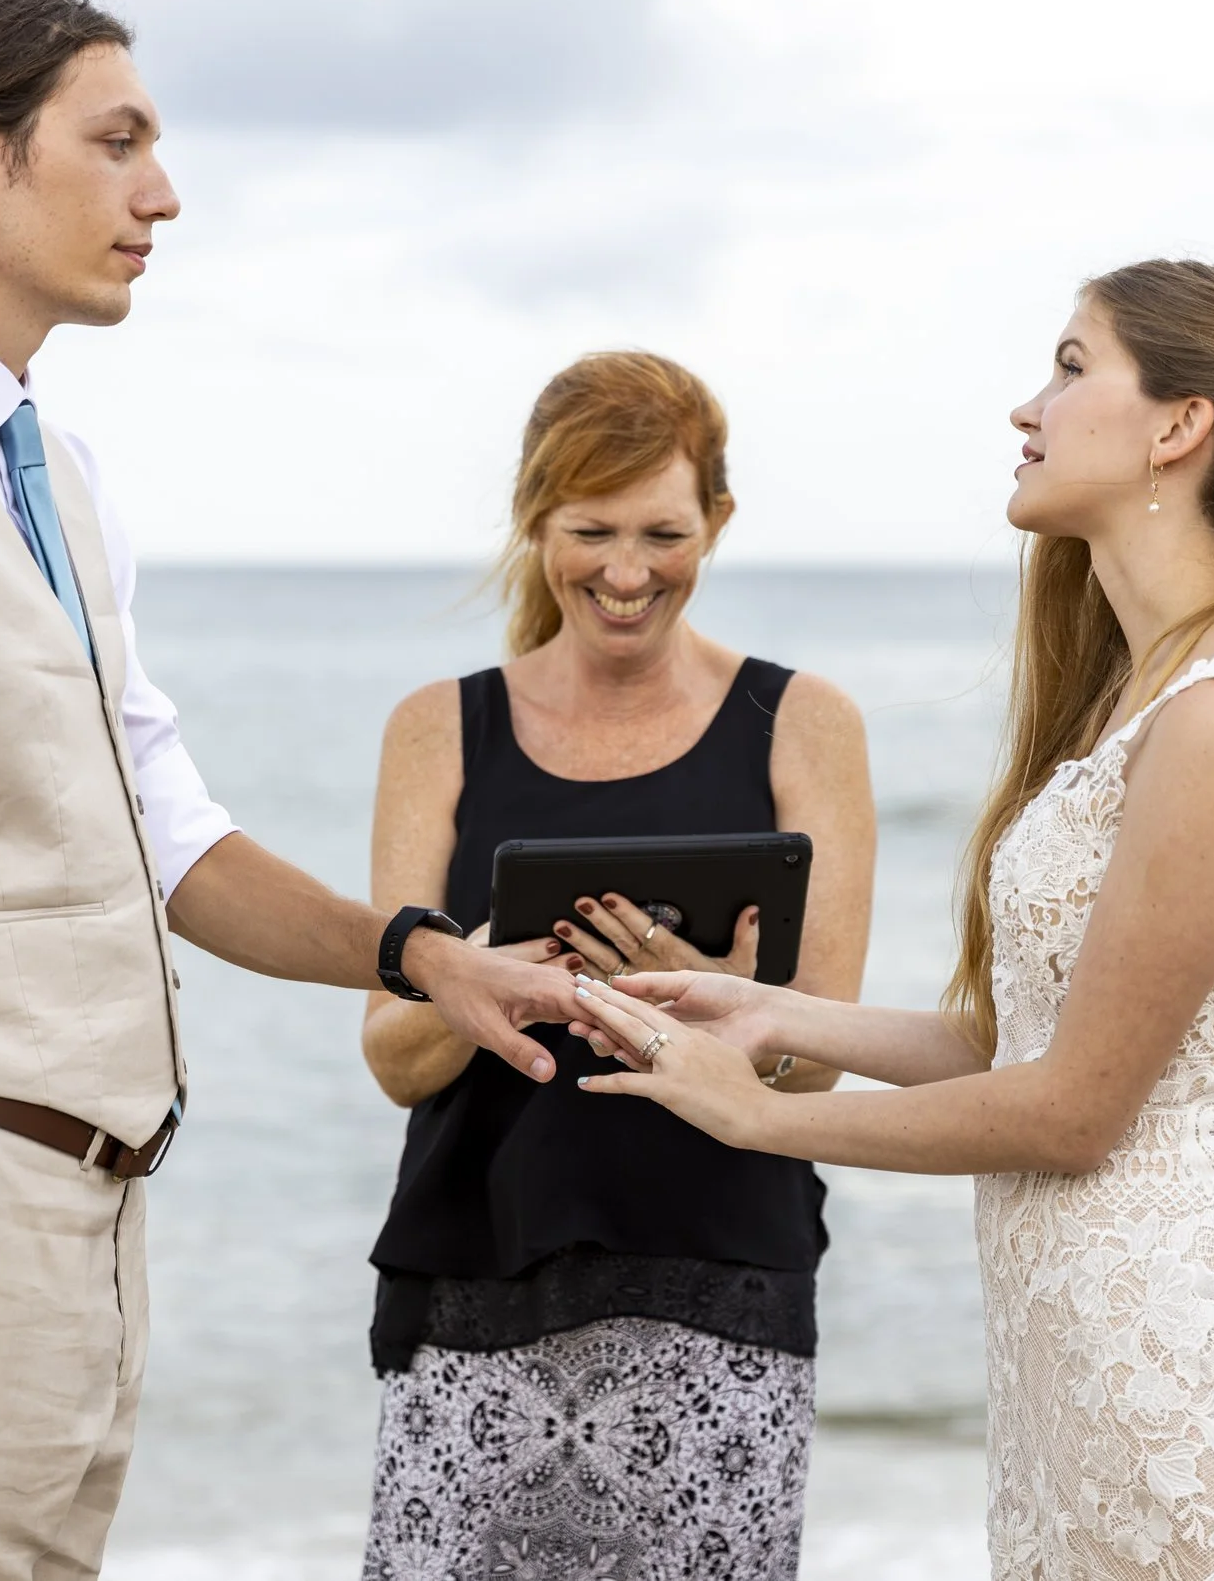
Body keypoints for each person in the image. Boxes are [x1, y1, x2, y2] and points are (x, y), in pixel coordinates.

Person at [0, 0, 583, 1580]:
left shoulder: (58, 472)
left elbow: (175, 835)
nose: (161, 193)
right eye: (117, 141)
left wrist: (423, 952)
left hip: (84, 1217)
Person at [571, 259, 1214, 1579]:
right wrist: (777, 1011)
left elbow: (1075, 1107)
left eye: (1069, 367)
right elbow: (1049, 1039)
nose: (1027, 408)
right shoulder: (1162, 687)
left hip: (1175, 1361)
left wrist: (763, 1111)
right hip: (1091, 1344)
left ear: (1179, 424)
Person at [356, 352, 876, 1579]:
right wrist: (482, 971)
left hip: (717, 1277)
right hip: (474, 1274)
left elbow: (810, 1079)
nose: (628, 572)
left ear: (719, 523)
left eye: (664, 532)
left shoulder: (805, 722)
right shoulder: (440, 727)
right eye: (590, 530)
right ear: (536, 517)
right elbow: (390, 1057)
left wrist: (713, 1008)